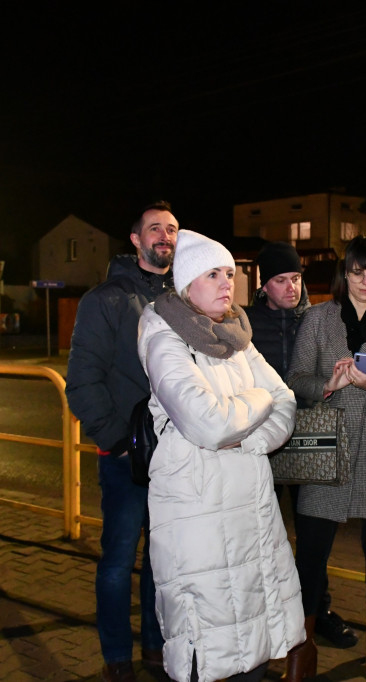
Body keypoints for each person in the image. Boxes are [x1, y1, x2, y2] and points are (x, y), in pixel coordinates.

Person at [137, 230, 305, 682]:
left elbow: (285, 401)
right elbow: (206, 424)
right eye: (213, 274)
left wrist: (246, 439)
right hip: (198, 513)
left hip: (250, 507)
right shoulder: (163, 335)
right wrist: (256, 401)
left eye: (230, 273)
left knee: (252, 640)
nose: (227, 283)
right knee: (207, 642)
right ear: (188, 283)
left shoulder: (236, 335)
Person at [285, 233, 366, 679]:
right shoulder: (319, 318)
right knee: (311, 553)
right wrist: (330, 384)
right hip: (326, 447)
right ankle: (301, 645)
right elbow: (297, 378)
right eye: (358, 271)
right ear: (345, 273)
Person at [65, 201, 177, 682]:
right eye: (155, 229)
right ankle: (116, 657)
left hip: (175, 456)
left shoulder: (182, 297)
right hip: (126, 459)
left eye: (172, 230)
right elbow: (81, 382)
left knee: (162, 560)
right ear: (135, 239)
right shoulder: (104, 299)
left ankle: (154, 647)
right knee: (117, 559)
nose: (165, 237)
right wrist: (119, 440)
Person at [244, 241, 358, 652]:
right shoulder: (246, 322)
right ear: (263, 283)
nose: (291, 287)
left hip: (313, 435)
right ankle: (269, 614)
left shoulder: (319, 319)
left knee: (314, 535)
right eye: (280, 280)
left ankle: (315, 611)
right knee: (263, 534)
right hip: (263, 440)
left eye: (295, 278)